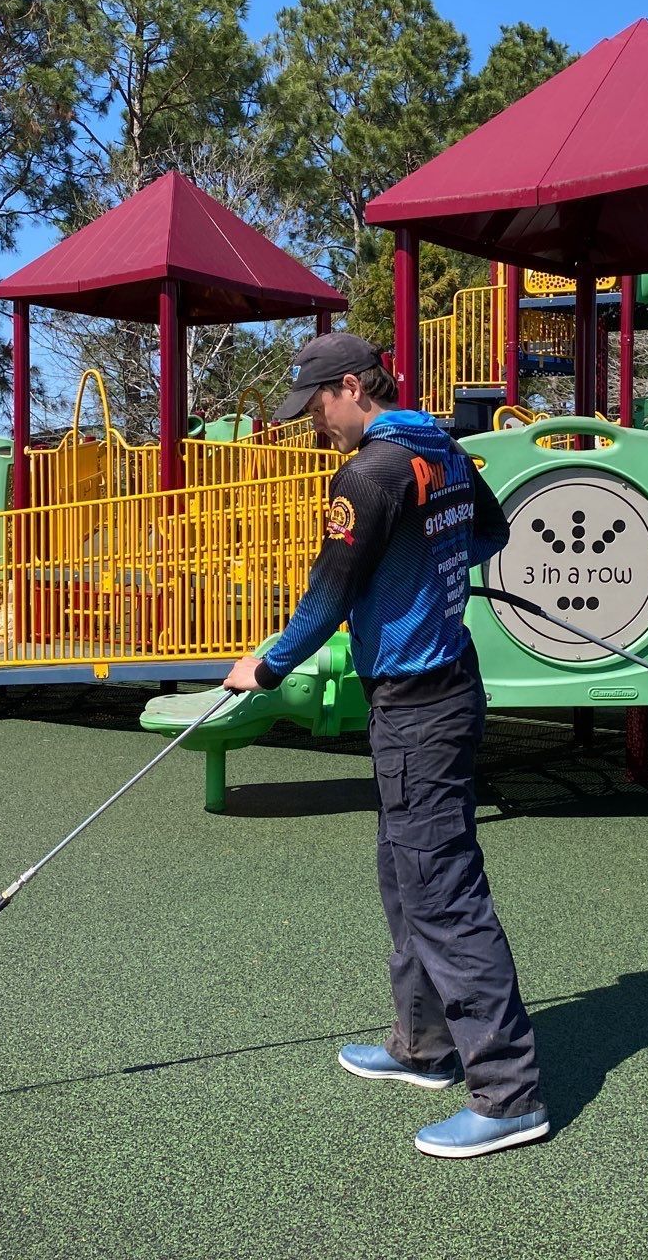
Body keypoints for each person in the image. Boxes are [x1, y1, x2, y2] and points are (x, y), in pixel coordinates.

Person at [223, 331, 547, 1159]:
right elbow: (491, 535)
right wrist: (426, 570)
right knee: (405, 876)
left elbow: (329, 590)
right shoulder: (438, 443)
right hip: (443, 687)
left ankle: (509, 1095)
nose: (316, 423)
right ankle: (425, 1045)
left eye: (318, 405)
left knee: (441, 890)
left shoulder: (366, 472)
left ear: (354, 386)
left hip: (418, 702)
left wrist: (265, 665)